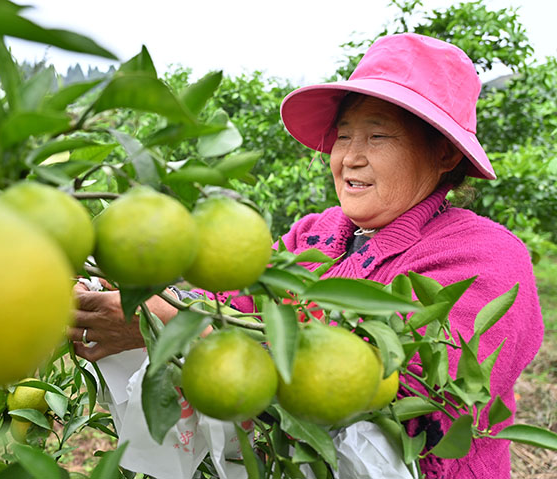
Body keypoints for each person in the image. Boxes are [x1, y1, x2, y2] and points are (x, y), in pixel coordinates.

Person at [69, 33, 544, 479]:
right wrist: (144, 299)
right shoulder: (315, 234)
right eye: (343, 136)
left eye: (377, 137)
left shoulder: (487, 257)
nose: (349, 158)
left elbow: (414, 410)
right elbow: (230, 302)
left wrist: (173, 328)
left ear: (443, 154)